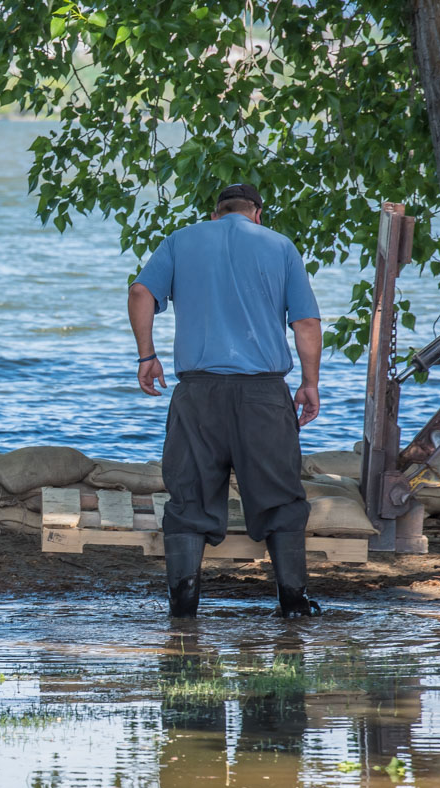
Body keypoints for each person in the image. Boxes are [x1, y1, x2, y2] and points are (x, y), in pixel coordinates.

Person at [128, 183, 324, 619]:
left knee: (189, 500)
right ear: (257, 213)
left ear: (215, 214)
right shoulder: (279, 245)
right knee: (281, 499)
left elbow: (140, 293)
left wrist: (147, 355)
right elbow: (306, 322)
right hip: (264, 396)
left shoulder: (182, 240)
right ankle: (292, 602)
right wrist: (310, 383)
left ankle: (183, 607)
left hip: (197, 394)